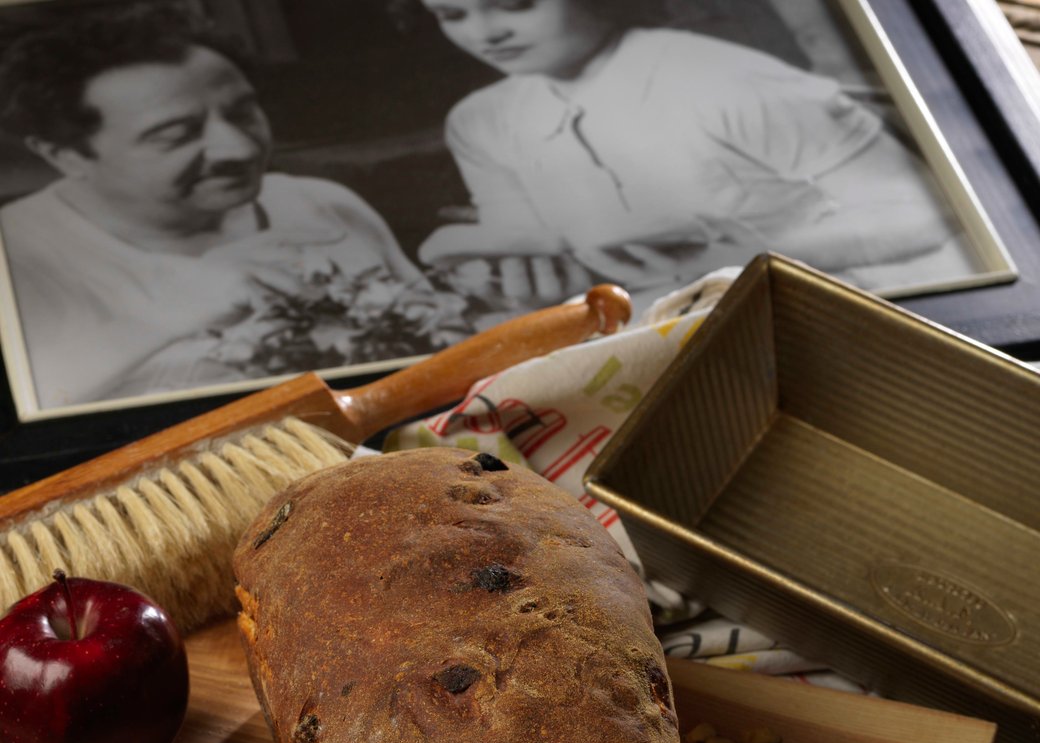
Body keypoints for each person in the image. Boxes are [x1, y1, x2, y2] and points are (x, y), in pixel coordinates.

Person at [0, 6, 466, 409]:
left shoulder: (322, 204)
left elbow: (439, 353)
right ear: (64, 155)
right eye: (176, 134)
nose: (239, 149)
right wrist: (172, 311)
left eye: (243, 112)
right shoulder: (18, 259)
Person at [415, 0, 978, 311]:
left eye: (515, 4)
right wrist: (523, 284)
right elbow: (530, 254)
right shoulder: (480, 121)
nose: (487, 33)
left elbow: (927, 211)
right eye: (452, 15)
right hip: (664, 335)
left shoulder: (725, 79)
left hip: (842, 304)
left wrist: (744, 256)